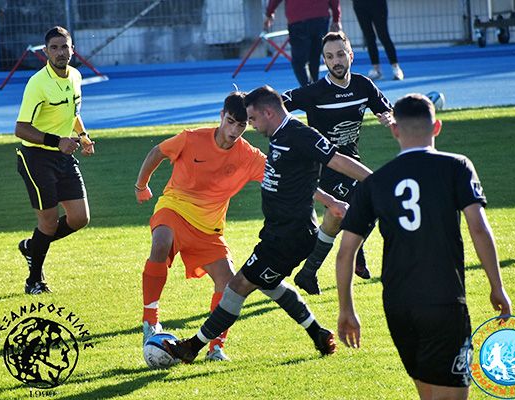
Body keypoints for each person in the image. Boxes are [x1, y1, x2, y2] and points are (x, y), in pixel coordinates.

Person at [160, 85, 373, 363]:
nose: (251, 125)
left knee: (238, 285)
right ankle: (318, 333)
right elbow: (299, 181)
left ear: (268, 113)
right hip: (276, 232)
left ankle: (192, 347)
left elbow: (337, 160)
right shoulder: (278, 134)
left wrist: (377, 182)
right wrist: (329, 200)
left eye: (252, 119)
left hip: (289, 236)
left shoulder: (299, 134)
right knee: (269, 285)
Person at [335, 93, 512, 400]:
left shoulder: (376, 182)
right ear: (437, 127)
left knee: (428, 394)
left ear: (394, 130)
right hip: (444, 299)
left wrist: (346, 309)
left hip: (398, 304)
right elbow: (479, 228)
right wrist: (497, 286)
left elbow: (346, 252)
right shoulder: (457, 166)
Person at [135, 91, 267, 362]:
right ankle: (150, 321)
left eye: (241, 125)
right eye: (230, 122)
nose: (234, 130)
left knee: (228, 282)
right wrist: (141, 185)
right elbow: (157, 152)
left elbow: (280, 175)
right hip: (174, 208)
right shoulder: (191, 138)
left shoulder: (249, 156)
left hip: (208, 229)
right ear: (221, 116)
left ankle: (215, 347)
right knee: (160, 243)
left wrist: (322, 195)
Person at [285, 31, 394, 295]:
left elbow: (385, 109)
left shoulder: (363, 85)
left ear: (351, 56)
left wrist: (389, 118)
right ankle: (357, 254)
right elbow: (277, 104)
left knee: (334, 221)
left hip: (351, 163)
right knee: (370, 199)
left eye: (341, 54)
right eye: (330, 56)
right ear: (324, 60)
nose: (336, 61)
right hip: (323, 168)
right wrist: (249, 107)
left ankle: (308, 273)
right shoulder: (315, 92)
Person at [15, 26, 95, 295]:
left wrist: (82, 135)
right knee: (48, 222)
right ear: (46, 51)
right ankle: (33, 281)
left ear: (73, 49)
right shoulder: (38, 83)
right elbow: (21, 129)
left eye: (65, 47)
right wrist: (57, 141)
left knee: (80, 218)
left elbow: (73, 112)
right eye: (54, 48)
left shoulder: (76, 76)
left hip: (64, 155)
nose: (60, 52)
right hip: (36, 158)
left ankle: (32, 246)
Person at [264, 0, 342, 87]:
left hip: (297, 18)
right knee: (315, 57)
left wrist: (269, 13)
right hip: (320, 17)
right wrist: (336, 18)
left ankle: (307, 88)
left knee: (299, 61)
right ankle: (315, 86)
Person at [352, 0, 404, 80]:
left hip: (378, 3)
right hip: (359, 4)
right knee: (369, 37)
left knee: (383, 35)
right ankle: (376, 69)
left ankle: (396, 67)